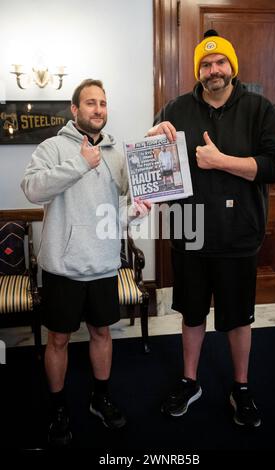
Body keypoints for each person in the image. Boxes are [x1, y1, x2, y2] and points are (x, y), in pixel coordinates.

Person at [147, 30, 275, 427]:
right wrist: (150, 141)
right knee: (192, 314)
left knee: (238, 317)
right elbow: (153, 165)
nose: (214, 70)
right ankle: (189, 380)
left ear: (232, 67)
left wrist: (222, 161)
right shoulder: (174, 108)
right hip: (188, 231)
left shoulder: (262, 109)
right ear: (199, 70)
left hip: (239, 236)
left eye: (220, 62)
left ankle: (241, 387)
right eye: (206, 64)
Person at [21, 78, 150, 446]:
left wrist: (136, 211)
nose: (98, 110)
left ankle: (101, 397)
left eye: (103, 103)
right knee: (58, 339)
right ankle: (59, 406)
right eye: (90, 103)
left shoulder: (116, 154)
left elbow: (120, 210)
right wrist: (78, 164)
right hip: (63, 267)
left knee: (102, 333)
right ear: (74, 109)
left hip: (104, 265)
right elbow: (32, 189)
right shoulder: (51, 148)